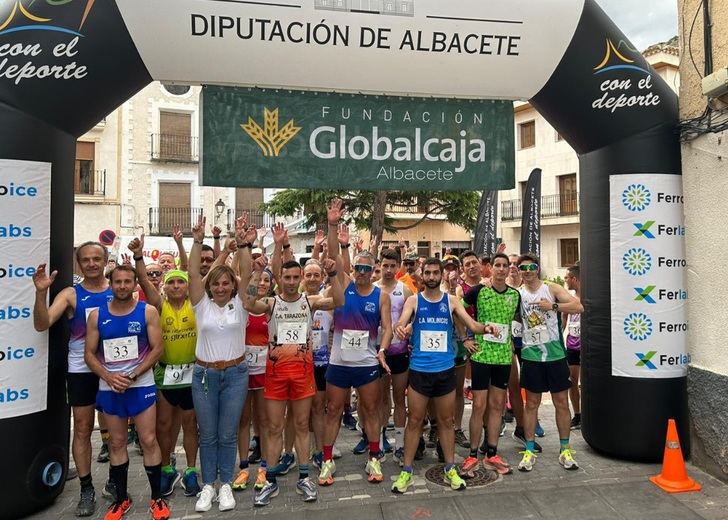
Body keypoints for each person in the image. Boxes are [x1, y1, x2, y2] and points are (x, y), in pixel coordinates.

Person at [249, 203, 346, 506]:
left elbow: (339, 300)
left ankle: (304, 478)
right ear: (283, 280)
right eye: (287, 278)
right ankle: (271, 479)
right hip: (276, 375)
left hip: (302, 374)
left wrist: (336, 268)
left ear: (301, 280)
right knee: (275, 427)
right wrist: (257, 270)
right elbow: (249, 303)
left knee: (302, 426)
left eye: (295, 278)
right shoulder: (272, 303)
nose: (291, 282)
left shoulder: (310, 301)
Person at [391, 258, 496, 493]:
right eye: (427, 272)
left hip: (445, 371)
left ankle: (450, 468)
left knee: (447, 422)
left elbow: (472, 325)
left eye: (435, 273)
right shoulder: (413, 300)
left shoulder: (451, 301)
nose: (431, 276)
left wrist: (485, 328)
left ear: (440, 275)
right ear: (422, 275)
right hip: (419, 371)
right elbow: (402, 321)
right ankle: (406, 470)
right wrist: (401, 327)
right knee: (415, 421)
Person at [33, 242, 113, 517]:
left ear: (105, 261)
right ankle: (86, 487)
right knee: (81, 427)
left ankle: (116, 479)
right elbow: (42, 324)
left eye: (97, 259)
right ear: (79, 264)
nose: (92, 264)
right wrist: (41, 293)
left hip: (115, 368)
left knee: (117, 429)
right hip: (80, 369)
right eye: (86, 260)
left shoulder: (119, 289)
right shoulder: (70, 294)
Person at [84, 265, 169, 520]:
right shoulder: (97, 315)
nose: (122, 286)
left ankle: (157, 499)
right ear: (110, 284)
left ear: (135, 285)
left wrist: (132, 375)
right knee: (117, 442)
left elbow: (157, 349)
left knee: (149, 440)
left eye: (127, 282)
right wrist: (109, 376)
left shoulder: (148, 312)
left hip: (139, 385)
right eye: (117, 282)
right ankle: (121, 500)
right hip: (110, 386)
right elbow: (89, 353)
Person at [188, 214, 256, 513]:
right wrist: (198, 241)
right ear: (210, 286)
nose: (220, 288)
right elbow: (192, 276)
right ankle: (207, 486)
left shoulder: (240, 304)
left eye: (226, 283)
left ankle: (226, 484)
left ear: (232, 286)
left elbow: (249, 275)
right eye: (216, 284)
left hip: (236, 373)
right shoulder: (200, 305)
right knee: (208, 433)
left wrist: (242, 244)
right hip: (204, 374)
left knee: (228, 433)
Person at [128, 235, 201, 498]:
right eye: (172, 283)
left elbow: (199, 275)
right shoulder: (159, 306)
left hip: (192, 372)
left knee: (190, 425)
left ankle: (191, 470)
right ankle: (168, 469)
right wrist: (138, 258)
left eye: (181, 282)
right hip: (165, 373)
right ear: (166, 288)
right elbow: (146, 281)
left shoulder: (195, 305)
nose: (177, 286)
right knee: (164, 425)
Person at [319, 248, 393, 487]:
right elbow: (334, 259)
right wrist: (333, 228)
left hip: (366, 362)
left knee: (371, 409)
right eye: (358, 268)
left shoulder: (381, 296)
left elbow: (388, 328)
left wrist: (382, 350)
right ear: (352, 269)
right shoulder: (343, 285)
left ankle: (374, 456)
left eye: (367, 269)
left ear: (374, 272)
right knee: (333, 410)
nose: (361, 272)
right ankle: (327, 459)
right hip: (339, 362)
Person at [515, 254, 583, 472]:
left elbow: (578, 306)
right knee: (531, 403)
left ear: (537, 268)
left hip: (554, 354)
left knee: (561, 402)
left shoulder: (551, 288)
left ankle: (565, 450)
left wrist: (553, 306)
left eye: (531, 266)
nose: (527, 270)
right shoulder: (518, 294)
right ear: (518, 270)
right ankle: (529, 449)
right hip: (531, 355)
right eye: (523, 267)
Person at [460, 253, 521, 477]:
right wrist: (465, 338)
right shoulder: (478, 291)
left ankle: (492, 454)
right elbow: (459, 311)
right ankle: (472, 455)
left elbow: (518, 321)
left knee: (497, 407)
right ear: (491, 268)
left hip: (503, 358)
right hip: (481, 357)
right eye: (498, 265)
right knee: (479, 406)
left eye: (506, 266)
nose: (502, 269)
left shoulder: (515, 295)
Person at [233, 267, 273, 492]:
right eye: (258, 280)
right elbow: (247, 298)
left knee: (265, 420)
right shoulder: (244, 307)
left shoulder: (271, 306)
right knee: (243, 421)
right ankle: (244, 466)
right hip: (242, 372)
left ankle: (265, 467)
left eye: (266, 280)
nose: (261, 283)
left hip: (264, 372)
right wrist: (253, 274)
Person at [375, 248, 413, 465]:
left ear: (399, 267)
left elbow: (415, 318)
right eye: (385, 265)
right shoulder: (372, 290)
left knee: (399, 399)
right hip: (378, 352)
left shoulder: (405, 290)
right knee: (380, 400)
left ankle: (399, 446)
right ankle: (378, 445)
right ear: (380, 265)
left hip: (399, 353)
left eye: (392, 266)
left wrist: (408, 328)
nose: (388, 270)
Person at [562, 264, 582, 430]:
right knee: (572, 381)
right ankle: (578, 415)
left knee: (588, 382)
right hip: (572, 344)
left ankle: (591, 414)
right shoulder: (569, 297)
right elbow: (564, 317)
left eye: (567, 277)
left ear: (574, 279)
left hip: (588, 346)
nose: (565, 280)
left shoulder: (589, 297)